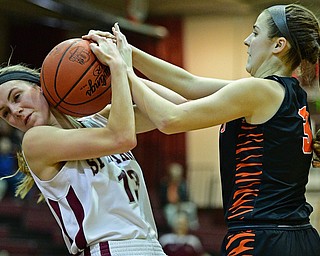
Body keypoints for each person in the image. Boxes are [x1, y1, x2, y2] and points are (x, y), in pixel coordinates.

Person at [84, 4, 320, 255]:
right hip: (298, 237)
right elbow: (189, 86)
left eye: (255, 32)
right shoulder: (290, 93)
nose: (247, 40)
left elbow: (169, 119)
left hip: (261, 239)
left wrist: (123, 68)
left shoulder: (259, 91)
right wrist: (126, 50)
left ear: (278, 45)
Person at [0, 26, 170, 256]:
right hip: (108, 248)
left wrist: (123, 65)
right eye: (5, 113)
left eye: (16, 97)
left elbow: (172, 108)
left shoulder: (97, 120)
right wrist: (118, 68)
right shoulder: (35, 141)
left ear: (40, 85)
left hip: (149, 244)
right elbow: (122, 137)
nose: (15, 112)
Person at [160, 162, 199, 230]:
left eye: (177, 175)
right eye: (174, 175)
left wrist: (180, 204)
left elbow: (186, 197)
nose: (176, 177)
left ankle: (192, 228)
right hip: (170, 205)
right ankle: (173, 228)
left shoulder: (183, 184)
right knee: (170, 211)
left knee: (191, 207)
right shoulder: (164, 183)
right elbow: (162, 198)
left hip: (182, 204)